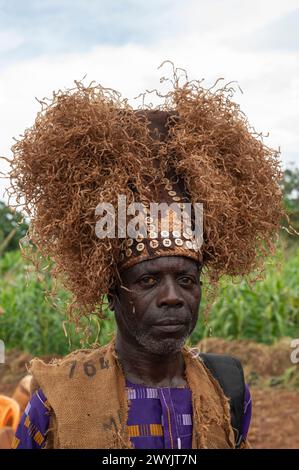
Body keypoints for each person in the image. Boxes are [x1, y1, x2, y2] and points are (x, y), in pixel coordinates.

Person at [9, 70, 284, 449]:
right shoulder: (57, 403)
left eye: (186, 280)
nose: (173, 296)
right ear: (111, 293)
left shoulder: (228, 390)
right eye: (148, 281)